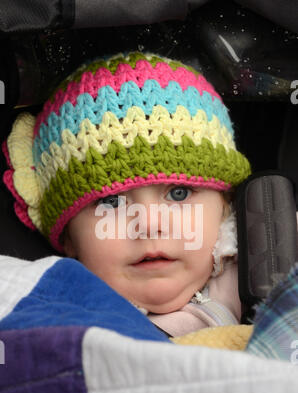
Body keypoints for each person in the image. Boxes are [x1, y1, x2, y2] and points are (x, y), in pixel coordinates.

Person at [2, 51, 297, 358]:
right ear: (68, 238)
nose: (150, 225)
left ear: (225, 207)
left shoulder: (274, 265)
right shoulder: (56, 316)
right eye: (111, 202)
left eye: (179, 194)